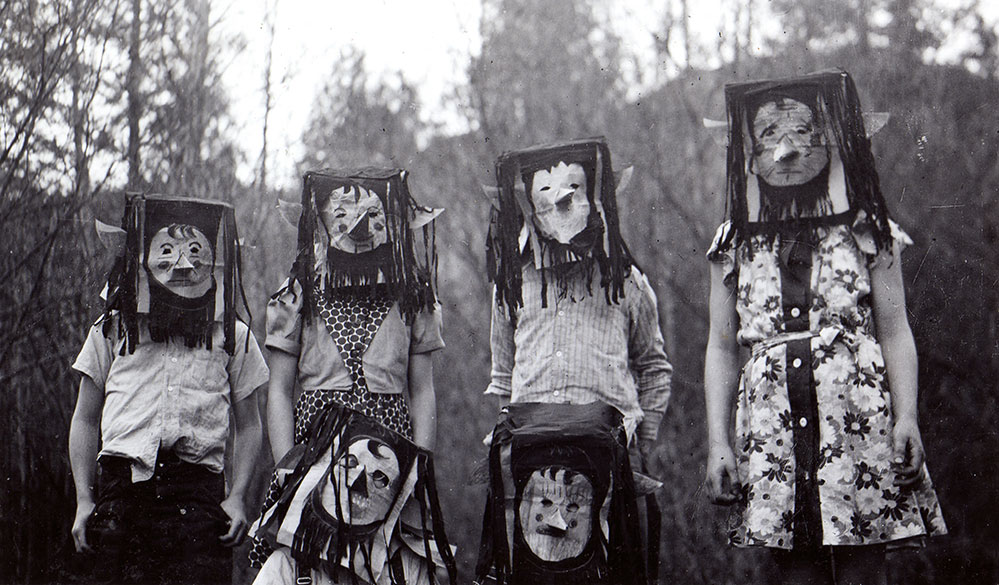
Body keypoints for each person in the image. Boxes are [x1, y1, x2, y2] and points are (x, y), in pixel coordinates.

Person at [703, 70, 947, 585]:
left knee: (863, 569)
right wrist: (719, 442)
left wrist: (907, 416)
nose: (787, 149)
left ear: (830, 138)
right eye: (769, 133)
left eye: (803, 131)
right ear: (748, 150)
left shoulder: (866, 228)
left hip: (856, 421)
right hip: (772, 429)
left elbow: (895, 329)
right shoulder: (733, 241)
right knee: (797, 571)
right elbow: (721, 347)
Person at [476, 138, 673, 585]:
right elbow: (503, 375)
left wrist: (641, 440)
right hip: (531, 455)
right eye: (545, 194)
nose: (561, 204)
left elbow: (654, 367)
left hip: (611, 453)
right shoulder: (512, 285)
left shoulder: (625, 281)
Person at [248, 168, 455, 585]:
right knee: (306, 554)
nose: (358, 225)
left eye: (374, 216)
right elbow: (279, 391)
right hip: (316, 446)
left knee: (390, 555)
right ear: (321, 220)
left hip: (388, 448)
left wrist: (419, 465)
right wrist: (287, 464)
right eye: (341, 213)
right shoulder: (300, 290)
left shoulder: (412, 293)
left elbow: (422, 390)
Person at [69, 195, 268, 585]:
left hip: (198, 496)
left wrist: (238, 496)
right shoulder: (113, 328)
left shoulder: (232, 334)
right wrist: (84, 498)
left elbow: (250, 425)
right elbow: (85, 418)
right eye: (166, 252)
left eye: (195, 252)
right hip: (122, 491)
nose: (182, 265)